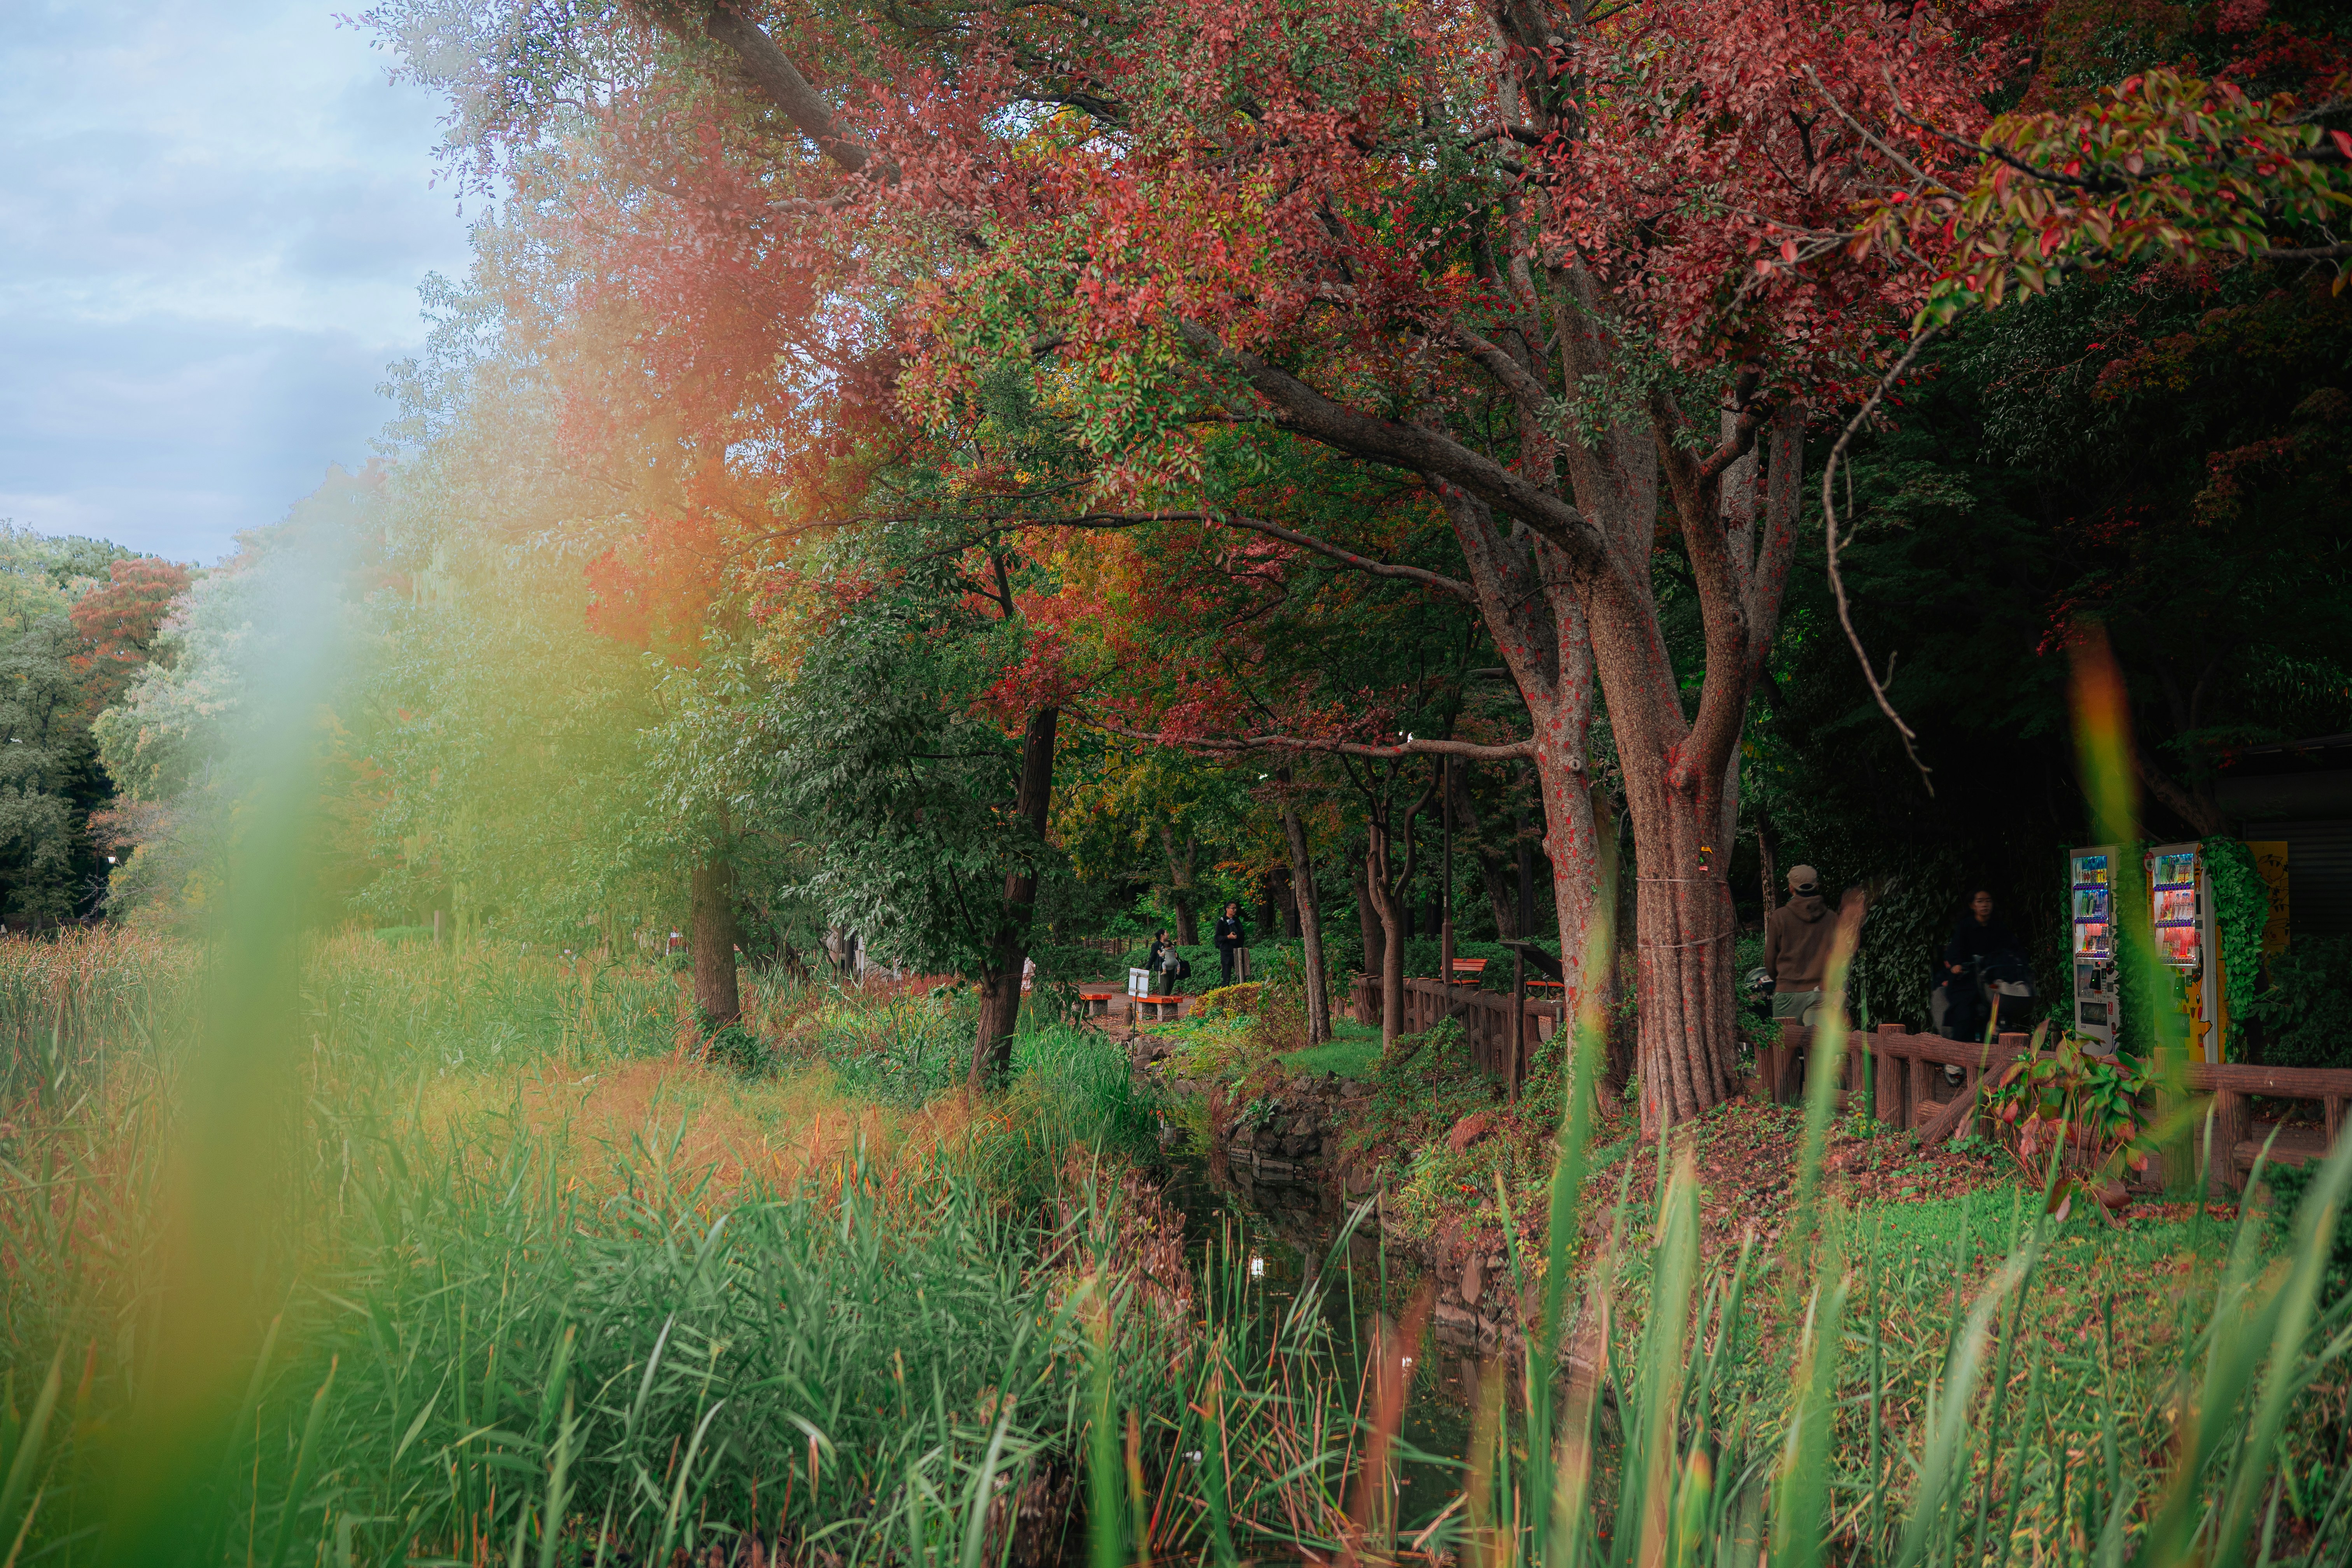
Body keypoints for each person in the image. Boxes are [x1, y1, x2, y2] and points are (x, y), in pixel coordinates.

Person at [1939, 889, 2024, 1040]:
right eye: (1980, 902)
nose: (1985, 905)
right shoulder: (1965, 927)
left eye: (1988, 901)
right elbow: (1954, 951)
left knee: (2007, 1007)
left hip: (1992, 979)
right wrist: (1956, 965)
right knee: (1964, 1013)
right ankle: (1959, 1057)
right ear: (1973, 905)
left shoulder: (1998, 927)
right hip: (1966, 979)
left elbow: (2013, 949)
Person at [1761, 865, 1839, 1027]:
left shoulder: (1780, 917)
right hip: (1821, 993)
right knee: (1818, 1048)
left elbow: (1770, 959)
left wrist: (1782, 981)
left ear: (1791, 889)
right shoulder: (1832, 918)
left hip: (1787, 994)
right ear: (1817, 887)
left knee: (1784, 1049)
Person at [1213, 900, 1249, 986]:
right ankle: (1224, 997)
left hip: (1238, 951)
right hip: (1227, 953)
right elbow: (1217, 937)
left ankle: (1242, 994)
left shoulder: (1237, 920)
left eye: (1236, 908)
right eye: (1233, 908)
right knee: (1226, 978)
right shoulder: (1221, 922)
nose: (1235, 910)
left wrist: (1238, 937)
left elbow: (1242, 933)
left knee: (1242, 976)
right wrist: (1228, 937)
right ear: (1227, 909)